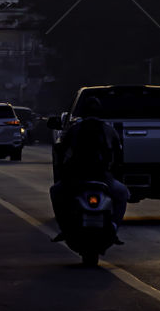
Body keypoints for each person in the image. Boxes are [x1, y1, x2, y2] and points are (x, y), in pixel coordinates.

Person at [50, 96, 129, 238]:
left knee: (56, 192)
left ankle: (65, 227)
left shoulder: (75, 129)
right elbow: (118, 155)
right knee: (123, 194)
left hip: (77, 176)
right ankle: (114, 226)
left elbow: (62, 152)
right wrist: (115, 171)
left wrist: (64, 170)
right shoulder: (108, 130)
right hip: (103, 177)